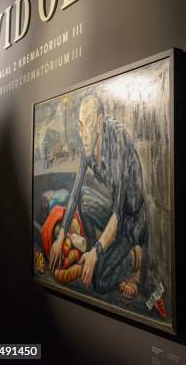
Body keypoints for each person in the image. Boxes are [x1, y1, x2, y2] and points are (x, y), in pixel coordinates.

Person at [48, 94, 146, 299]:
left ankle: (134, 257)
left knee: (99, 282)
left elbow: (118, 216)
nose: (82, 133)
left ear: (100, 123)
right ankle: (99, 255)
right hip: (115, 214)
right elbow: (75, 194)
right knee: (84, 199)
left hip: (130, 223)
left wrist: (94, 255)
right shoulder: (88, 140)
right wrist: (60, 237)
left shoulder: (118, 140)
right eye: (80, 125)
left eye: (88, 123)